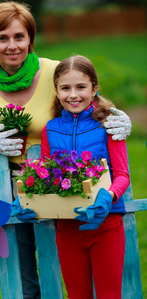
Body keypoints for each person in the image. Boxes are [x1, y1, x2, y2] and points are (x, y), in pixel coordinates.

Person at [0, 1, 131, 298]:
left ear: (30, 37)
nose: (12, 45)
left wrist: (119, 119)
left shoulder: (55, 71)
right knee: (24, 271)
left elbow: (86, 94)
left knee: (71, 268)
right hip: (16, 186)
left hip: (69, 185)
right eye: (2, 38)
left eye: (19, 36)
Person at [40, 55, 130, 299]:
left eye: (81, 87)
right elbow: (44, 174)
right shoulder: (50, 130)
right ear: (57, 91)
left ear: (94, 88)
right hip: (68, 227)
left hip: (107, 224)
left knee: (109, 295)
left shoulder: (109, 124)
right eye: (65, 88)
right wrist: (30, 199)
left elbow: (122, 174)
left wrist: (108, 196)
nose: (73, 95)